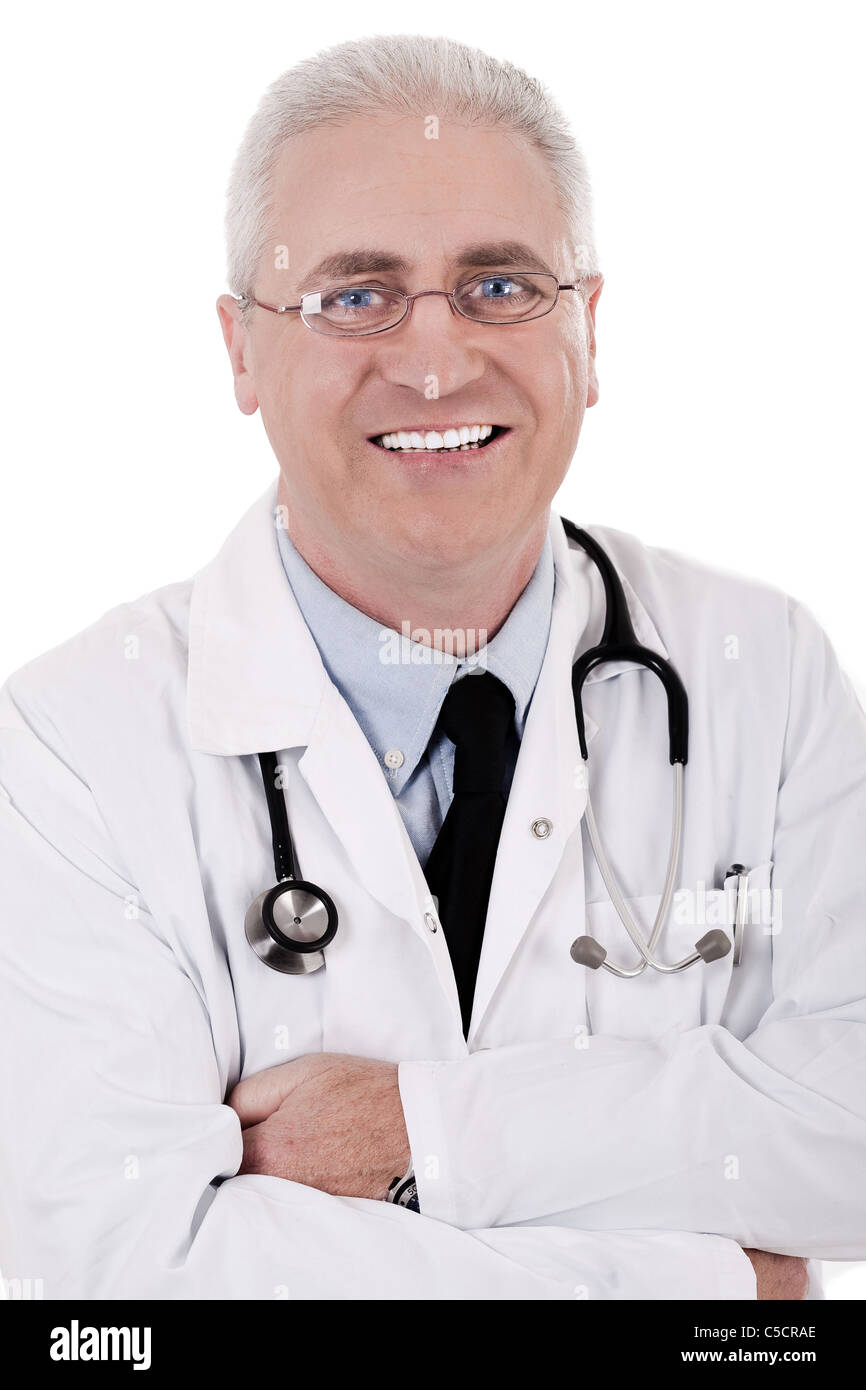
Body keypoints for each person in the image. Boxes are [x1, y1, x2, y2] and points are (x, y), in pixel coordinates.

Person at [1, 34, 864, 1302]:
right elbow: (113, 1280)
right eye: (355, 295)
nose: (433, 360)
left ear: (587, 326)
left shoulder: (765, 671)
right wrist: (718, 1294)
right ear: (240, 351)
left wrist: (424, 1134)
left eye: (500, 285)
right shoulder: (68, 746)